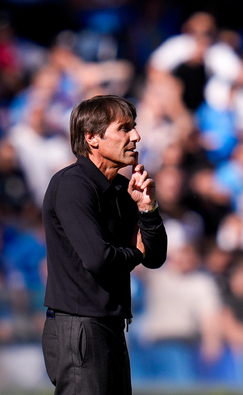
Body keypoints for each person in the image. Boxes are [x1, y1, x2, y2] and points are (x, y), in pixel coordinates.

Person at [41, 95, 167, 394]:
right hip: (79, 328)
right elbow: (98, 258)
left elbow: (156, 257)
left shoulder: (121, 189)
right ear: (92, 138)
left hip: (107, 326)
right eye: (124, 128)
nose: (136, 136)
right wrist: (136, 251)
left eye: (134, 127)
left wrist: (147, 209)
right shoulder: (72, 185)